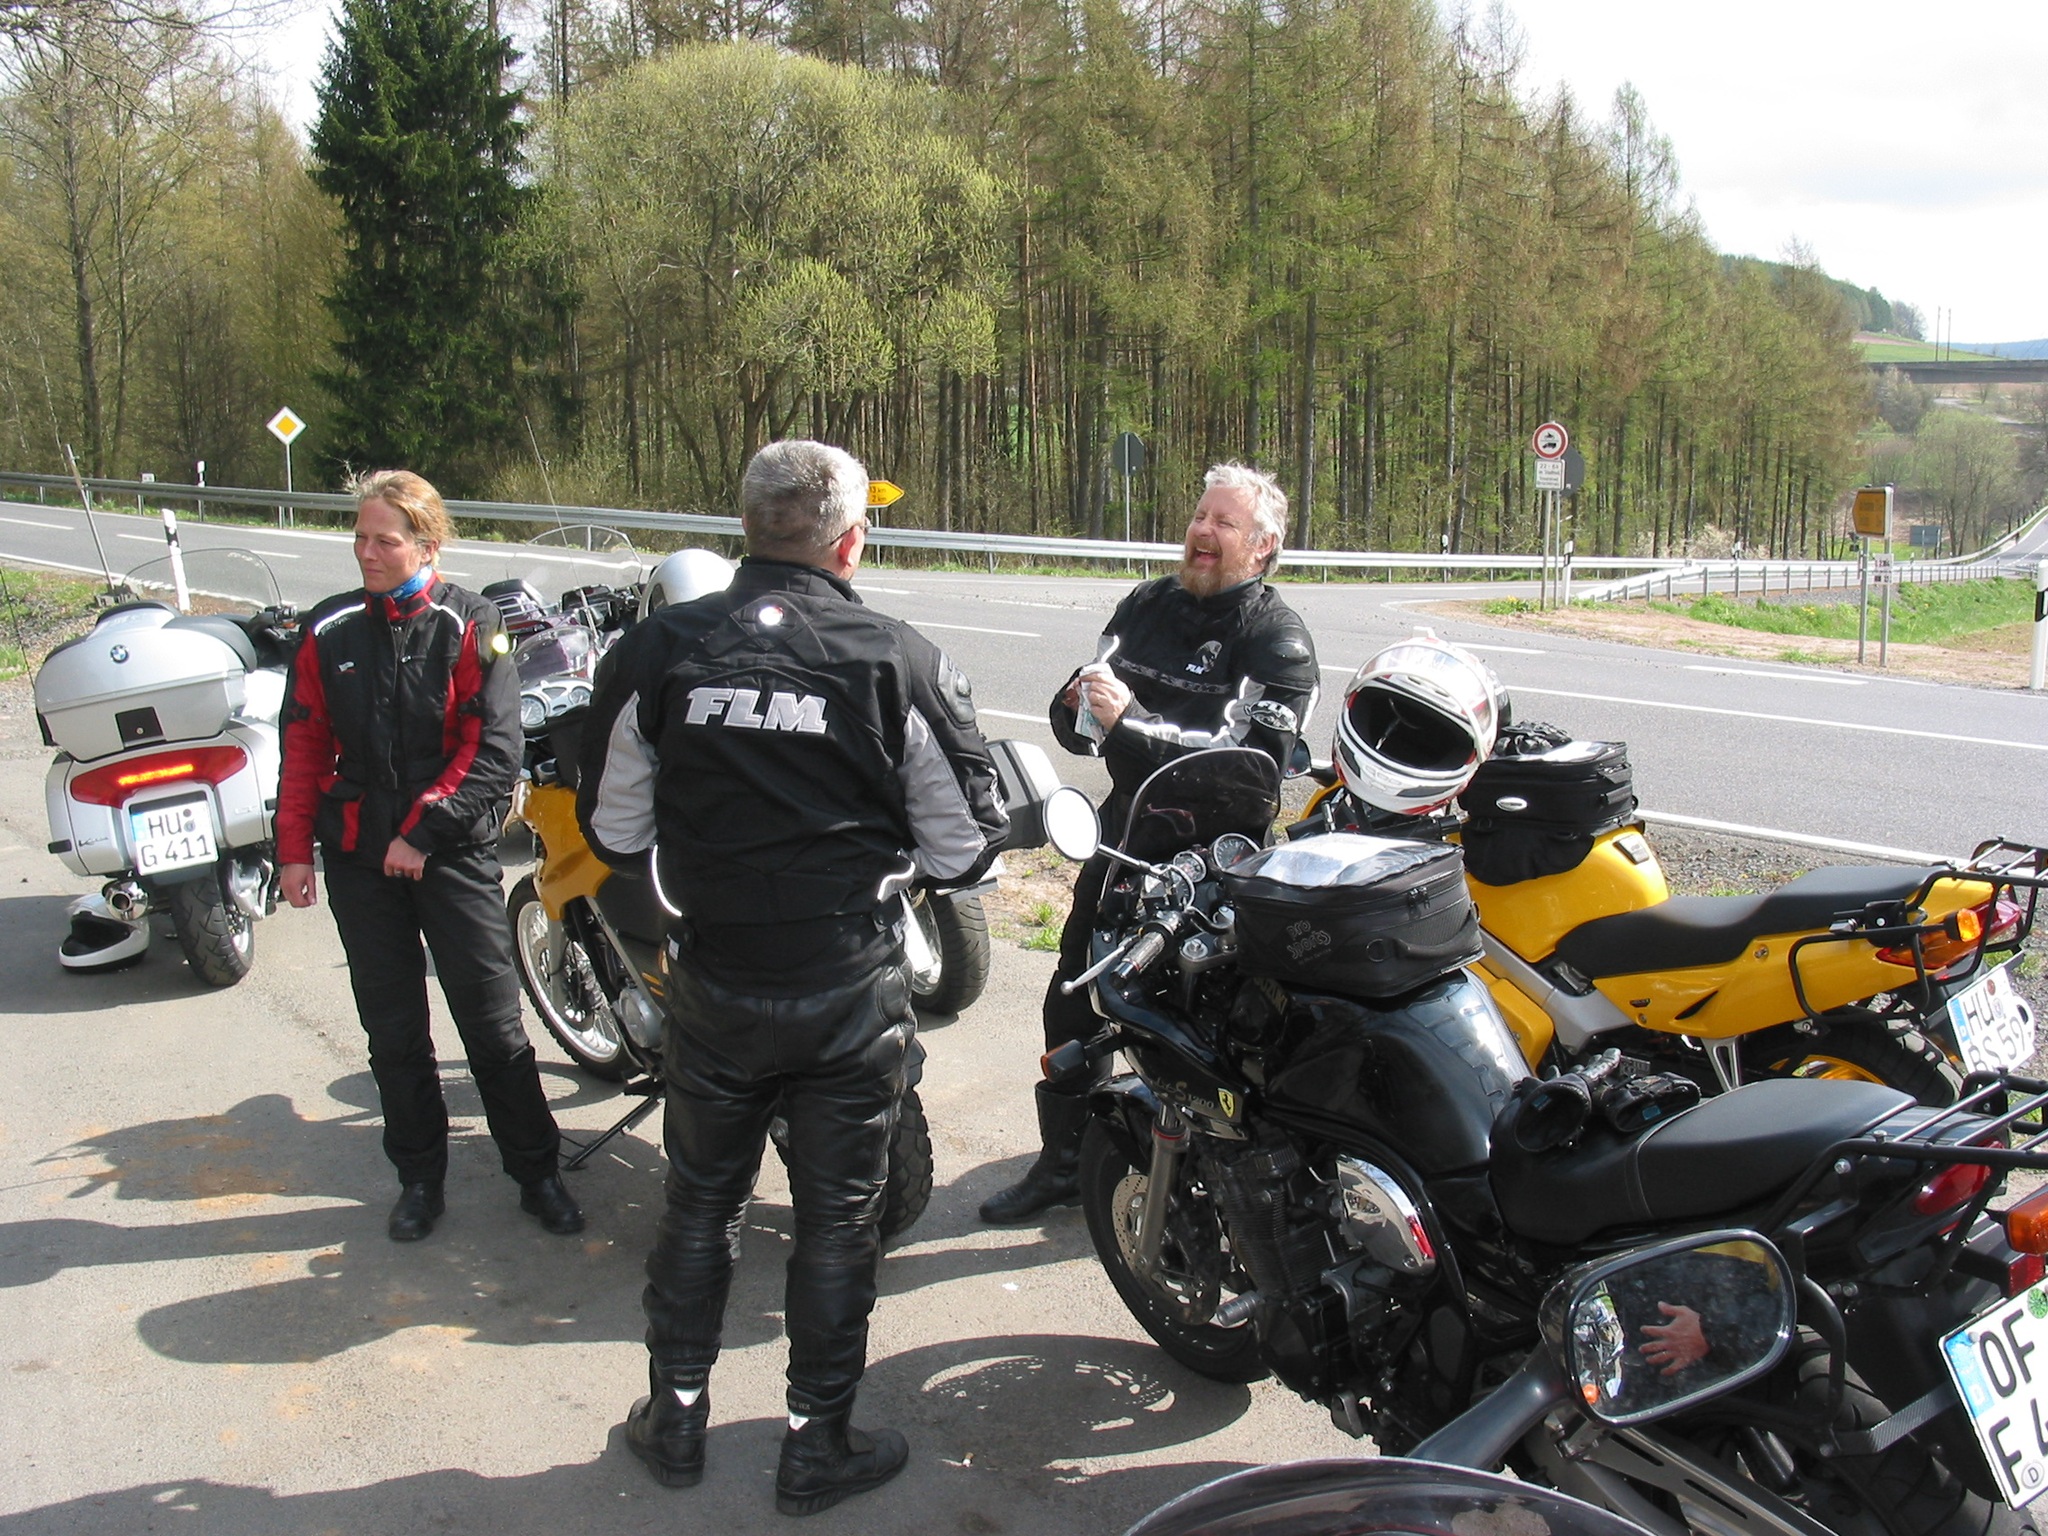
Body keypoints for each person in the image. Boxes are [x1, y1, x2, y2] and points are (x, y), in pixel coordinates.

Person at [577, 439, 1007, 1516]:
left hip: (715, 978)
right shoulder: (894, 658)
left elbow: (613, 830)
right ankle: (816, 1445)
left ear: (746, 525)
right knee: (836, 1220)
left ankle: (675, 1419)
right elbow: (963, 854)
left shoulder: (657, 649)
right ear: (849, 543)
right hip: (846, 986)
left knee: (699, 1205)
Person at [979, 461, 1319, 1226]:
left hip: (1214, 866)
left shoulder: (1278, 639)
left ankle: (1209, 1178)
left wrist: (1128, 722)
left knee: (1202, 1035)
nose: (1202, 531)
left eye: (1224, 523)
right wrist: (1076, 706)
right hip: (1122, 842)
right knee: (1074, 997)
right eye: (1200, 515)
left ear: (1262, 547)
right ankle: (1064, 1163)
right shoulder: (1144, 605)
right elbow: (1083, 724)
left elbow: (1247, 773)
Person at [276, 470, 583, 1244]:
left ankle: (537, 1174)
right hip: (358, 858)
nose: (367, 553)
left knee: (493, 1027)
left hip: (450, 856)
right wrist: (293, 851)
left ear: (427, 546)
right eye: (359, 538)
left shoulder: (472, 622)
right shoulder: (327, 629)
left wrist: (422, 833)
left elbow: (495, 749)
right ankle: (419, 1179)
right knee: (394, 1034)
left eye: (385, 540)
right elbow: (304, 745)